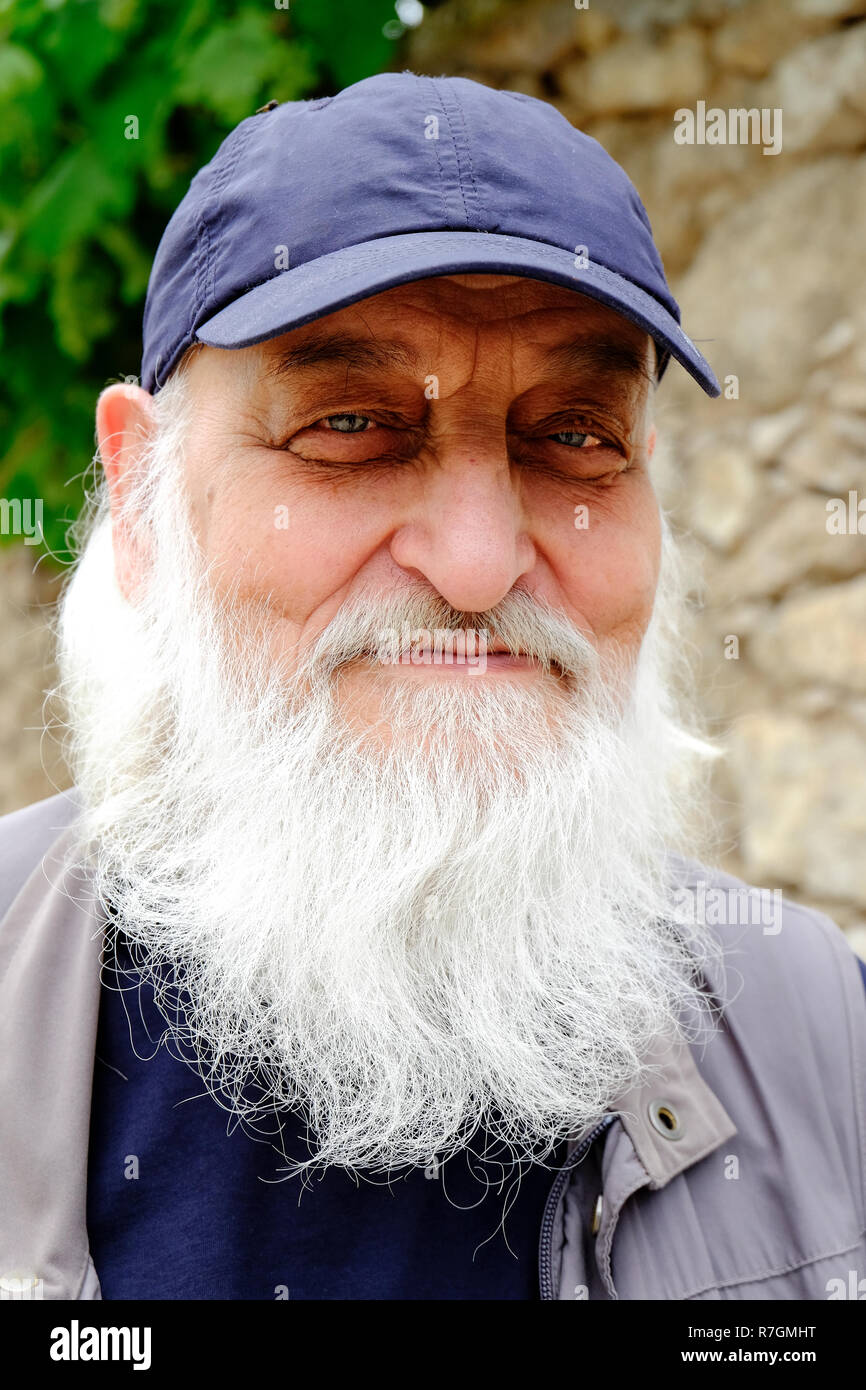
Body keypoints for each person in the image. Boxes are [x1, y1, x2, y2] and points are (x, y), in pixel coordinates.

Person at [1, 72, 864, 1302]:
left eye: (573, 435)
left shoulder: (819, 1034)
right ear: (143, 495)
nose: (474, 563)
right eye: (350, 425)